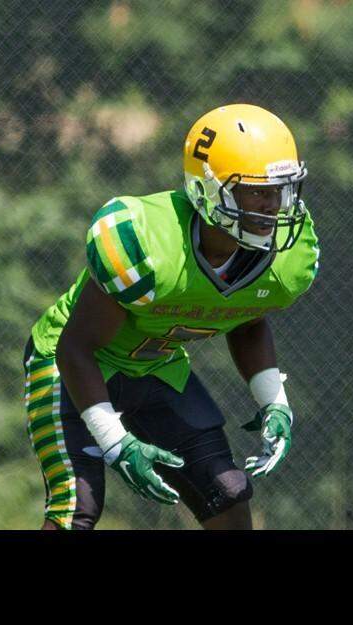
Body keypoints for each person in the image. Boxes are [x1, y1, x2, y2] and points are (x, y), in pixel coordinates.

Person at [23, 104, 320, 530]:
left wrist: (274, 400)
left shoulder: (285, 258)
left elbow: (248, 315)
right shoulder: (147, 240)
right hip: (69, 364)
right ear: (208, 190)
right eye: (257, 191)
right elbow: (77, 346)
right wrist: (116, 443)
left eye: (280, 190)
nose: (273, 206)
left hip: (155, 366)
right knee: (78, 509)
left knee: (229, 495)